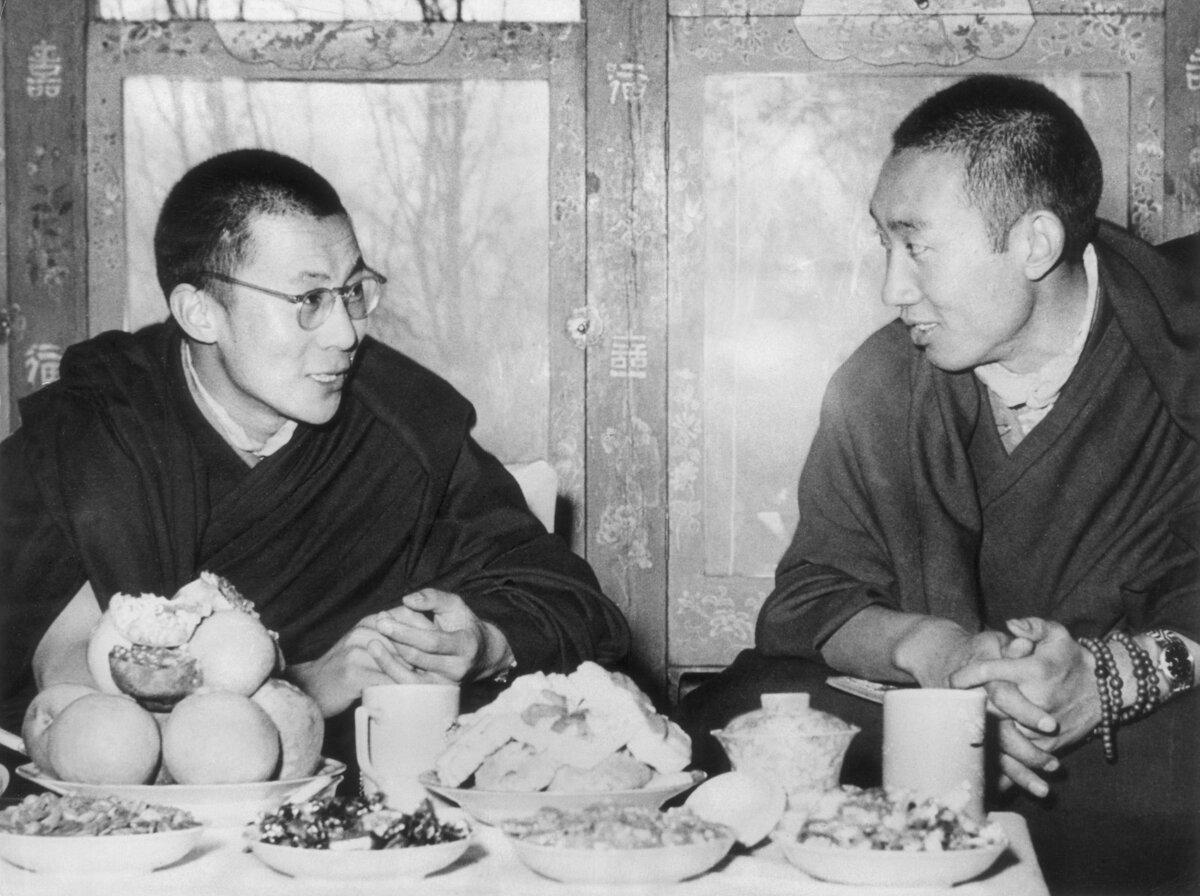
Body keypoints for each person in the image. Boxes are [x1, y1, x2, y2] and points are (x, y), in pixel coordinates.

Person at [676, 76, 1199, 895]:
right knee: (737, 720)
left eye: (916, 245)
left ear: (1033, 243)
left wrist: (1105, 682)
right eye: (884, 244)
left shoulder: (1184, 344)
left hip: (1141, 714)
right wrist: (939, 653)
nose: (892, 288)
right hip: (934, 706)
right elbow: (812, 598)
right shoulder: (881, 379)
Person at [0, 148, 630, 771]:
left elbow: (567, 597)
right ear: (200, 312)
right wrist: (304, 685)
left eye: (354, 290)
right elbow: (61, 695)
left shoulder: (402, 429)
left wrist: (485, 642)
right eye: (308, 301)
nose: (346, 333)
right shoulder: (95, 427)